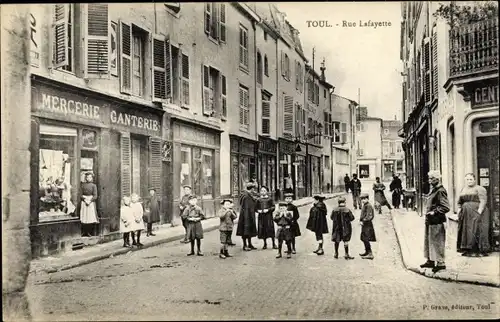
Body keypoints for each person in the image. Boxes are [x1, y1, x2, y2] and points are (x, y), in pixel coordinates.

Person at [419, 170, 450, 273]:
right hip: (430, 221)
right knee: (429, 241)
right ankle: (430, 260)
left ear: (437, 179)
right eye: (429, 178)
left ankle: (441, 263)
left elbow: (445, 207)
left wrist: (434, 212)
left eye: (432, 178)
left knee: (437, 241)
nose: (429, 181)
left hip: (437, 220)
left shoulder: (440, 191)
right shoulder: (434, 190)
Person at [457, 173, 491, 257]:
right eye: (467, 179)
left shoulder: (480, 188)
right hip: (466, 214)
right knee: (467, 231)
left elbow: (483, 200)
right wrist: (459, 209)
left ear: (474, 180)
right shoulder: (463, 189)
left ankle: (479, 251)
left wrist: (479, 211)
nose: (469, 181)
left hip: (477, 212)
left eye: (471, 179)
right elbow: (459, 202)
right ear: (465, 180)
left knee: (477, 230)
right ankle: (468, 249)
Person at [236, 182, 259, 251]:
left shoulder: (248, 195)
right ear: (251, 189)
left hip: (249, 215)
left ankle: (250, 244)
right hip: (246, 216)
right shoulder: (246, 196)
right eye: (253, 189)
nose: (254, 190)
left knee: (249, 230)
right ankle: (245, 245)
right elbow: (246, 207)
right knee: (245, 230)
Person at [80, 172, 99, 237]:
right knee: (84, 217)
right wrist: (84, 199)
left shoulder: (94, 186)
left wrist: (90, 201)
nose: (89, 178)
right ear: (86, 178)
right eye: (87, 177)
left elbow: (95, 196)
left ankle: (89, 232)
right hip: (84, 201)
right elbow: (80, 194)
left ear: (92, 178)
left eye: (90, 177)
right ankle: (84, 232)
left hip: (90, 202)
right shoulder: (83, 185)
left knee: (90, 217)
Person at [359, 193, 376, 260]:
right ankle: (367, 251)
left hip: (367, 225)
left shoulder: (368, 206)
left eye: (364, 199)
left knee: (366, 238)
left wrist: (363, 221)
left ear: (367, 199)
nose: (363, 200)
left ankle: (370, 253)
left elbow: (370, 216)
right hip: (365, 224)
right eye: (362, 199)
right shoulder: (365, 205)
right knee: (363, 238)